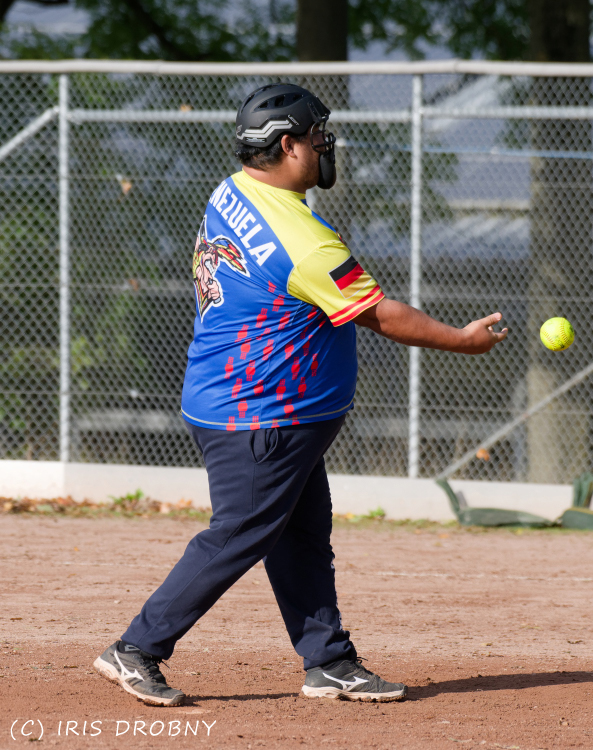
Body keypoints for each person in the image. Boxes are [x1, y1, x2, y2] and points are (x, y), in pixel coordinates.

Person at [93, 83, 508, 706]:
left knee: (302, 538)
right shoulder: (304, 241)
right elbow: (379, 314)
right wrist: (461, 340)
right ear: (287, 146)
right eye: (315, 136)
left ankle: (328, 661)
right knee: (239, 534)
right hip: (260, 414)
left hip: (259, 404)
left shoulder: (234, 191)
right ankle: (136, 648)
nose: (324, 145)